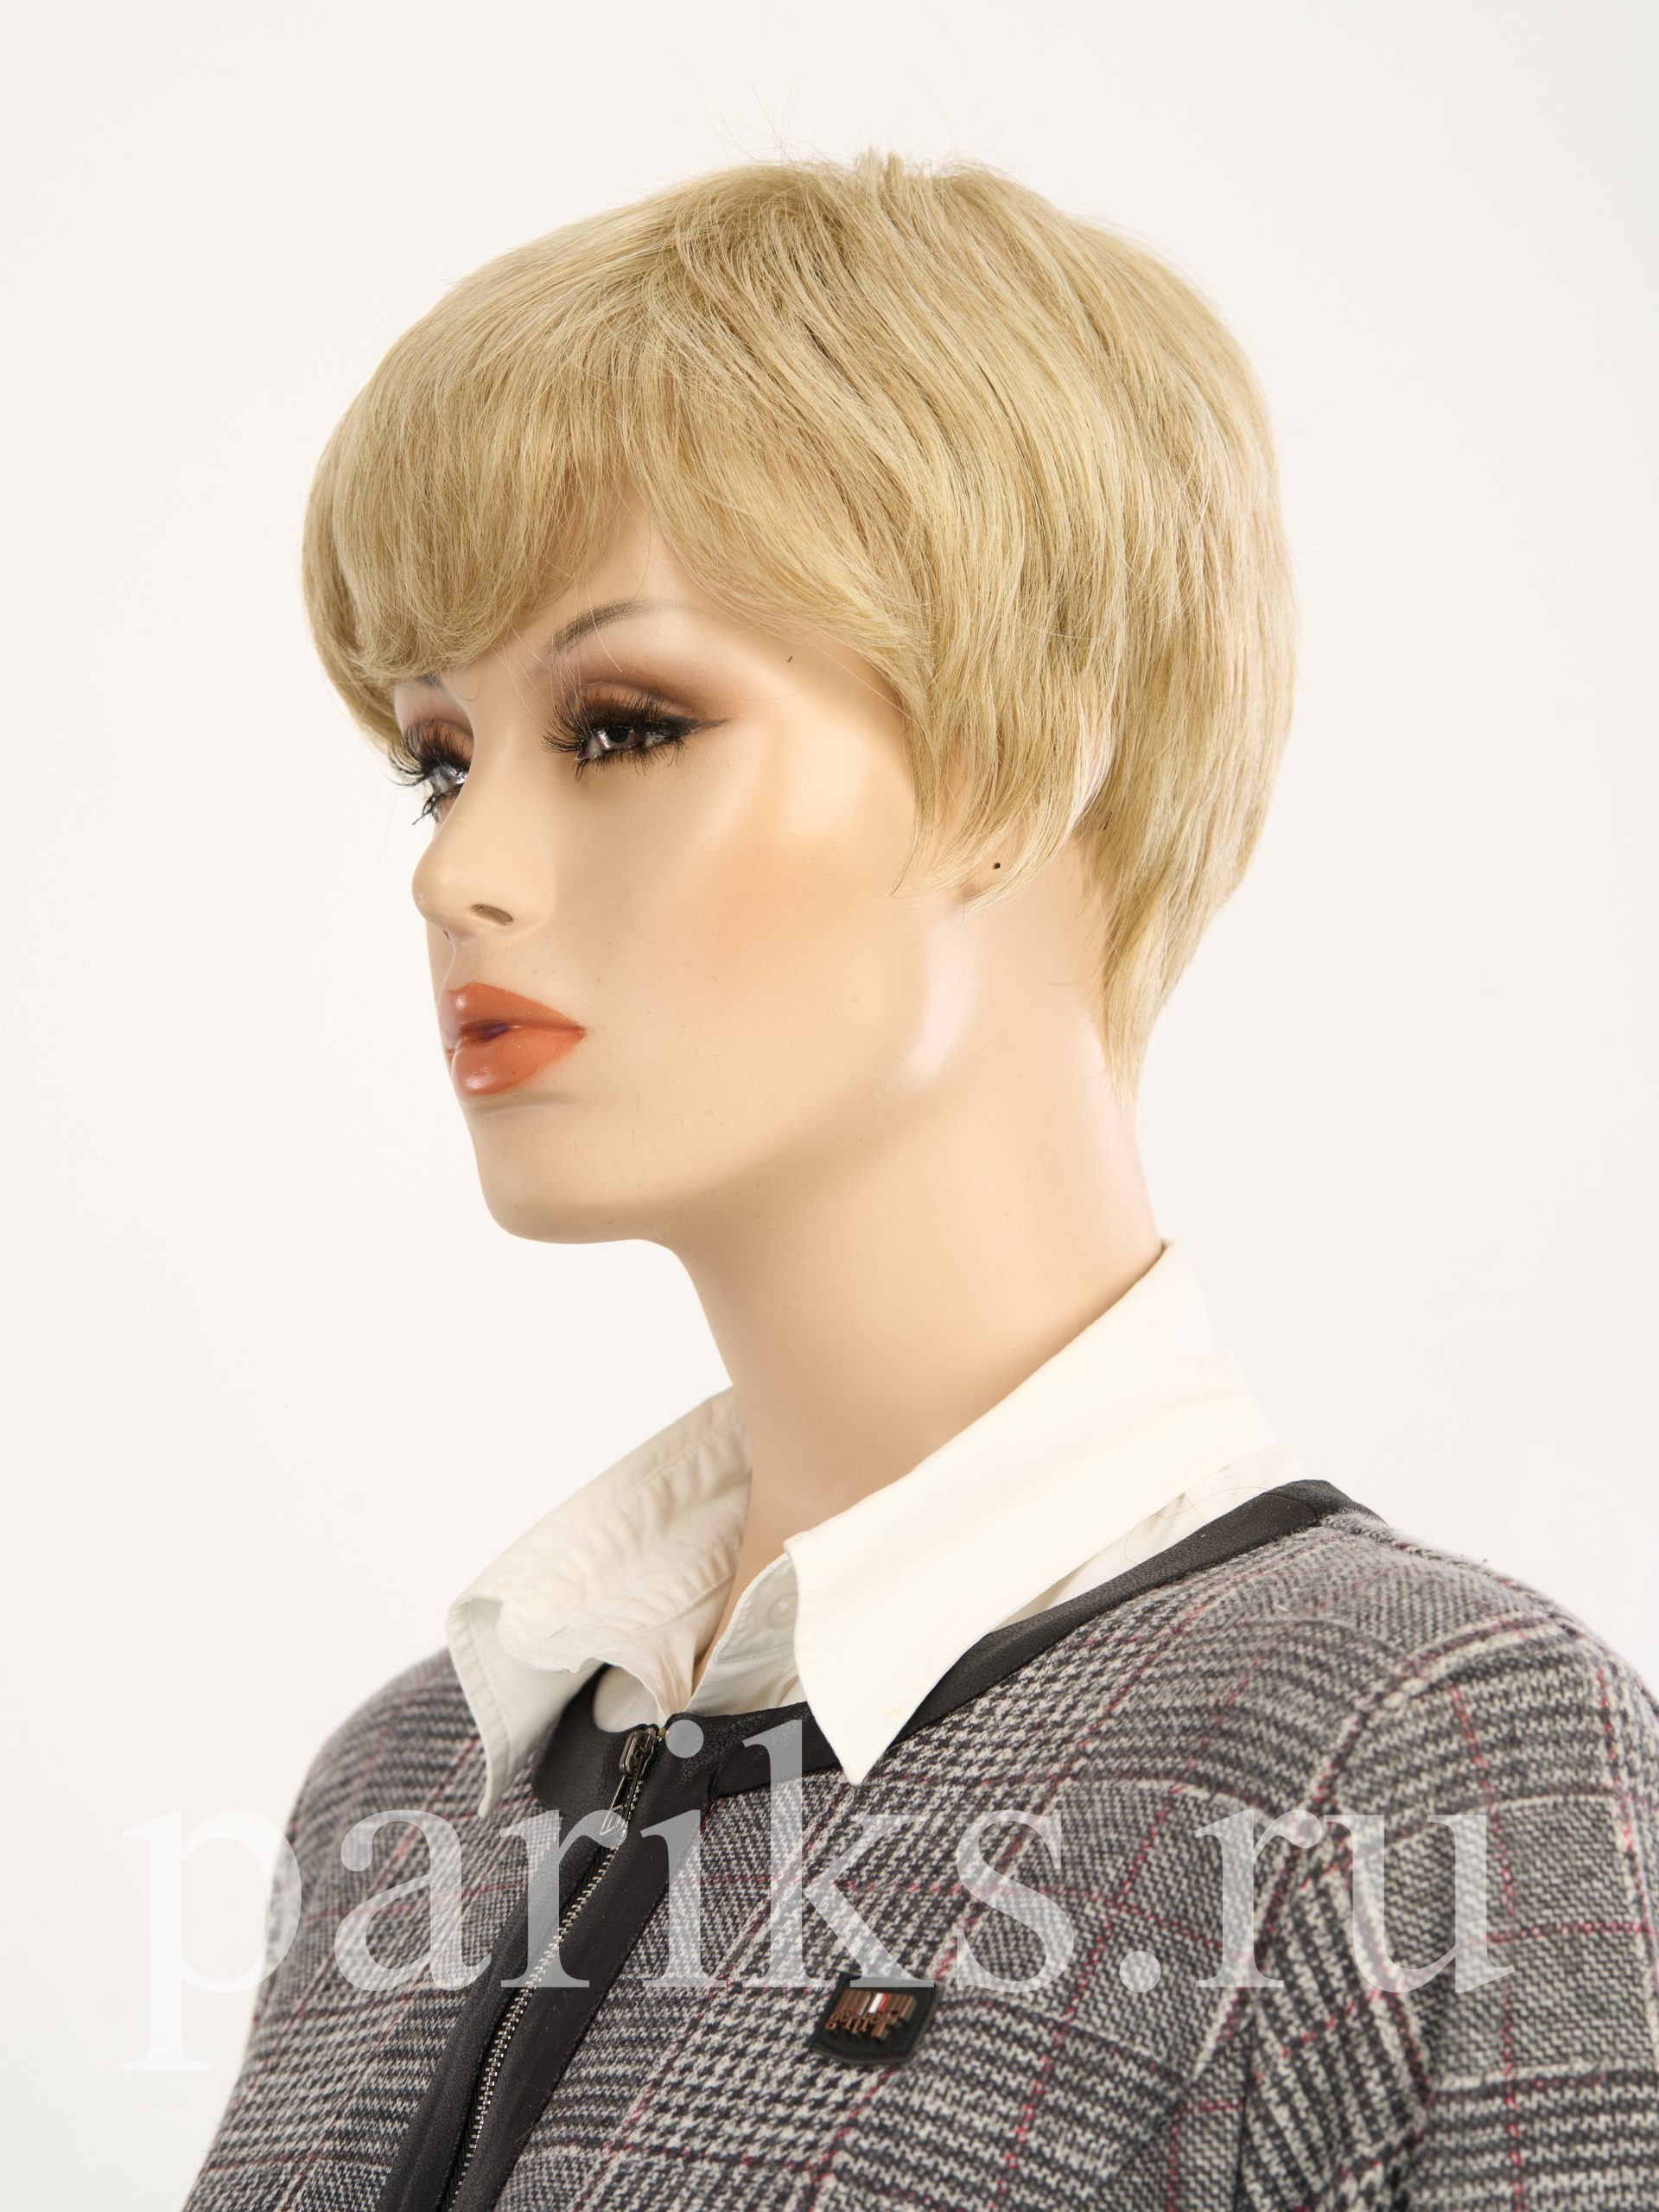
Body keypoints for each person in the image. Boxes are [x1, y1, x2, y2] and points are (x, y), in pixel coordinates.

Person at [186, 151, 1659, 2211]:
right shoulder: (414, 1784)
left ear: (1025, 752)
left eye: (621, 724)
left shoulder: (1419, 1754)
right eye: (441, 757)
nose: (459, 871)